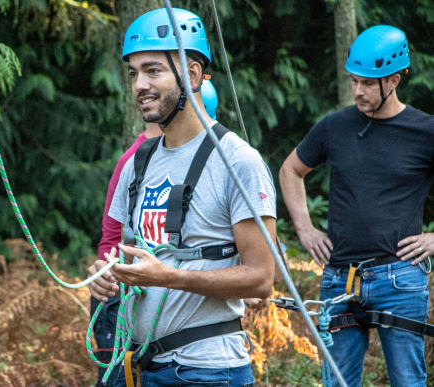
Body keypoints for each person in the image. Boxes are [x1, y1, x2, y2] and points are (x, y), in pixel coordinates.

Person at [88, 7, 276, 387]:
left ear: (191, 74)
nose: (139, 84)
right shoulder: (136, 163)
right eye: (134, 73)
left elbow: (261, 278)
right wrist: (107, 275)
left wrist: (171, 277)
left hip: (206, 371)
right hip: (138, 365)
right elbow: (127, 252)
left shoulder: (238, 162)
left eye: (153, 70)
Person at [279, 25, 433, 387]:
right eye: (354, 81)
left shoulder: (425, 131)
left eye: (367, 83)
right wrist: (304, 227)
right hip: (339, 278)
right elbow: (290, 170)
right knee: (336, 383)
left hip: (400, 278)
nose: (357, 91)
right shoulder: (336, 126)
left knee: (408, 382)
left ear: (394, 80)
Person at [90, 77, 221, 386]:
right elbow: (112, 239)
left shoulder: (213, 159)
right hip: (122, 298)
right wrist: (109, 273)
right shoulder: (135, 161)